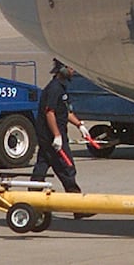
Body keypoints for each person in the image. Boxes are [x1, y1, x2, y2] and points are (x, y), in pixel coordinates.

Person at [30, 58, 92, 216]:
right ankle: (78, 207)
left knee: (42, 166)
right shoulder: (54, 89)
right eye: (71, 67)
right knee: (67, 167)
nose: (73, 71)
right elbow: (49, 112)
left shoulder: (62, 88)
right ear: (62, 69)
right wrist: (57, 136)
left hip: (52, 135)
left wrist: (80, 125)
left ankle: (32, 200)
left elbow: (66, 112)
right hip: (52, 136)